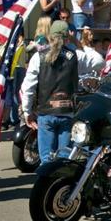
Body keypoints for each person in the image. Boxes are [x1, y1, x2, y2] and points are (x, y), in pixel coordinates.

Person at [21, 21, 80, 164]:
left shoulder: (38, 57)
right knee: (64, 159)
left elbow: (27, 87)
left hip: (46, 113)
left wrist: (27, 111)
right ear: (67, 37)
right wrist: (77, 42)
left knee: (46, 160)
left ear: (50, 36)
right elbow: (98, 62)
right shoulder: (74, 56)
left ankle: (45, 185)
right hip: (67, 113)